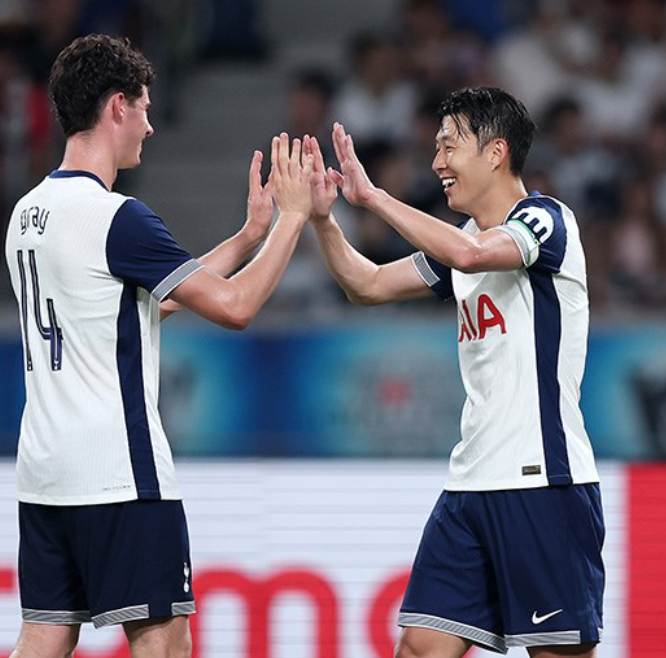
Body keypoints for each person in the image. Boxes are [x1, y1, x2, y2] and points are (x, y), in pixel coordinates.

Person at [5, 34, 315, 658]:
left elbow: (134, 306)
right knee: (165, 643)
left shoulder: (26, 215)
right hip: (120, 474)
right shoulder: (117, 216)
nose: (149, 126)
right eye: (144, 108)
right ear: (116, 105)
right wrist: (292, 219)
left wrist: (248, 235)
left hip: (44, 472)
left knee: (43, 637)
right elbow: (235, 306)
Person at [307, 86, 603, 658]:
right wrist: (324, 220)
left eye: (449, 146)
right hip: (471, 482)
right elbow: (368, 285)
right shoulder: (461, 239)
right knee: (420, 646)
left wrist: (375, 198)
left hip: (543, 480)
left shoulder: (545, 220)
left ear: (496, 152)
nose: (437, 162)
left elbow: (473, 257)